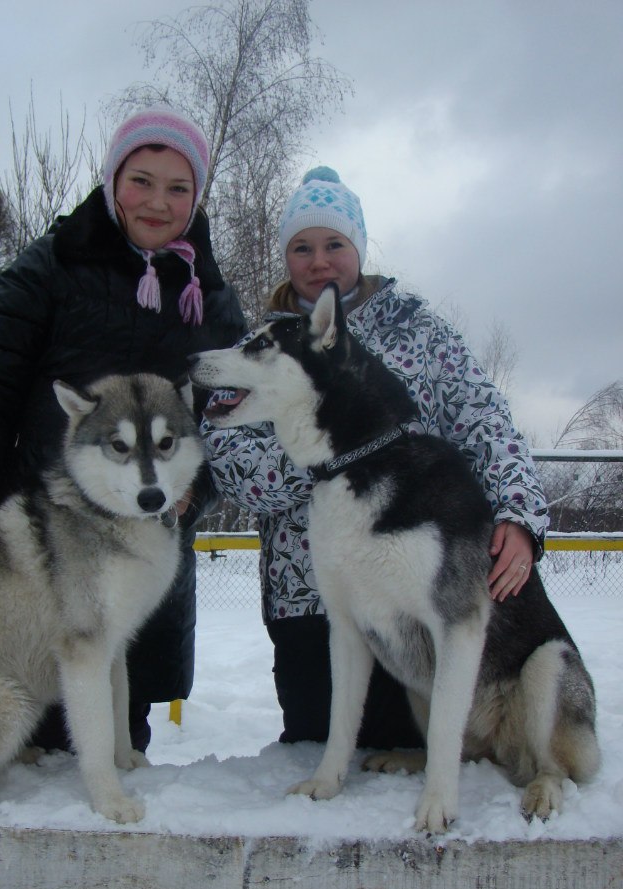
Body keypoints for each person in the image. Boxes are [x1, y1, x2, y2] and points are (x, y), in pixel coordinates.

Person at [0, 104, 245, 889]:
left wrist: (194, 496)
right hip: (45, 540)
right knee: (31, 754)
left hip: (146, 547)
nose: (158, 200)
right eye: (141, 180)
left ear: (197, 197)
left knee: (116, 731)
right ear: (112, 181)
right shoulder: (50, 265)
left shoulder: (210, 295)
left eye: (178, 186)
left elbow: (224, 425)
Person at [201, 166, 549, 751]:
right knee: (322, 756)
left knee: (415, 755)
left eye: (335, 244)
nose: (319, 261)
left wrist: (519, 512)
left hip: (417, 591)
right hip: (309, 596)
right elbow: (233, 465)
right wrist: (328, 444)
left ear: (358, 248)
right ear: (287, 257)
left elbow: (486, 422)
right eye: (302, 247)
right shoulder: (262, 346)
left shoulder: (419, 330)